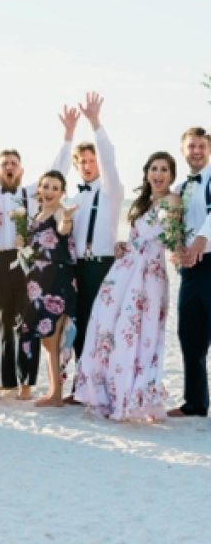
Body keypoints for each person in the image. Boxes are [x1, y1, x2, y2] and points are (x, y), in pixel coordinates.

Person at [0, 104, 78, 395]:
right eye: (4, 163)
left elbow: (59, 167)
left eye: (13, 163)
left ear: (21, 169)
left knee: (27, 325)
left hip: (29, 264)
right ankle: (7, 384)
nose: (9, 167)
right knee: (3, 326)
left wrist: (68, 135)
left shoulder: (33, 193)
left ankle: (27, 385)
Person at [74, 153, 176, 421]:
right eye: (153, 168)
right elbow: (139, 236)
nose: (158, 173)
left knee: (137, 331)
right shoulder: (144, 203)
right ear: (147, 173)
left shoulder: (172, 201)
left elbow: (170, 237)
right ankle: (109, 394)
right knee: (105, 324)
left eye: (164, 169)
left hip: (148, 276)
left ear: (171, 175)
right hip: (124, 271)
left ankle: (133, 397)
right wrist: (122, 244)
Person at [63, 92, 125, 403]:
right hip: (77, 267)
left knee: (106, 328)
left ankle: (107, 387)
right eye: (82, 162)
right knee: (81, 327)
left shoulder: (113, 190)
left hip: (103, 265)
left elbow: (109, 161)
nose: (88, 166)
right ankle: (81, 386)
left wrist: (96, 124)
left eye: (92, 161)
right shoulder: (73, 198)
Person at [18, 171, 78, 407]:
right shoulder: (37, 214)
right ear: (39, 189)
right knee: (46, 338)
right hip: (37, 281)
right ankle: (54, 391)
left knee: (53, 336)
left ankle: (55, 394)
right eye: (46, 186)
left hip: (56, 279)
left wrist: (67, 218)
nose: (50, 191)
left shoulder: (61, 213)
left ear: (62, 192)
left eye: (55, 187)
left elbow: (63, 230)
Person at [168, 127, 211, 418]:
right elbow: (176, 224)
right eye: (190, 146)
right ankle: (195, 404)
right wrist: (178, 247)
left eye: (201, 146)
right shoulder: (181, 188)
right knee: (190, 335)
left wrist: (201, 238)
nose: (195, 151)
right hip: (191, 271)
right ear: (183, 151)